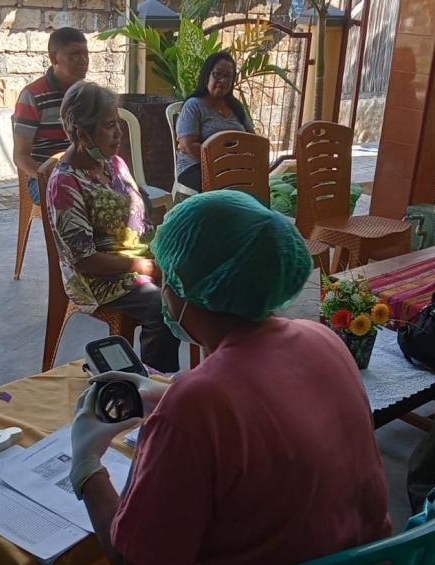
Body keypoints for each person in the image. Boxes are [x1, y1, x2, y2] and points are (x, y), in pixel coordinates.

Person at [5, 190, 392, 565]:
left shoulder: (198, 406)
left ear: (187, 288)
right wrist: (170, 393)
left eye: (166, 277)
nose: (162, 289)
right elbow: (266, 409)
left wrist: (86, 467)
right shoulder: (323, 341)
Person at [47, 81, 181, 372]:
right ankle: (154, 384)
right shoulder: (65, 185)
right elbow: (84, 260)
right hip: (100, 277)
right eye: (110, 126)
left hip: (139, 257)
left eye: (118, 123)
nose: (119, 133)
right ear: (83, 134)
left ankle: (213, 373)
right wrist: (145, 267)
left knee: (201, 278)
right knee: (161, 307)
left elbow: (141, 215)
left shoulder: (114, 164)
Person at [13, 27, 90, 204]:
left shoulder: (88, 94)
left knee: (129, 196)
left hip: (83, 173)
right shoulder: (33, 96)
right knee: (77, 199)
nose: (83, 60)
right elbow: (21, 157)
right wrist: (53, 176)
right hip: (42, 177)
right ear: (54, 58)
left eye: (86, 54)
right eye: (75, 55)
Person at [174, 52, 255, 193]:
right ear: (207, 75)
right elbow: (188, 146)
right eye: (218, 74)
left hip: (233, 167)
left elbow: (253, 140)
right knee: (226, 188)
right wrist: (223, 159)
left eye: (228, 76)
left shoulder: (236, 107)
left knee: (259, 186)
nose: (223, 80)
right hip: (196, 166)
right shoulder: (194, 105)